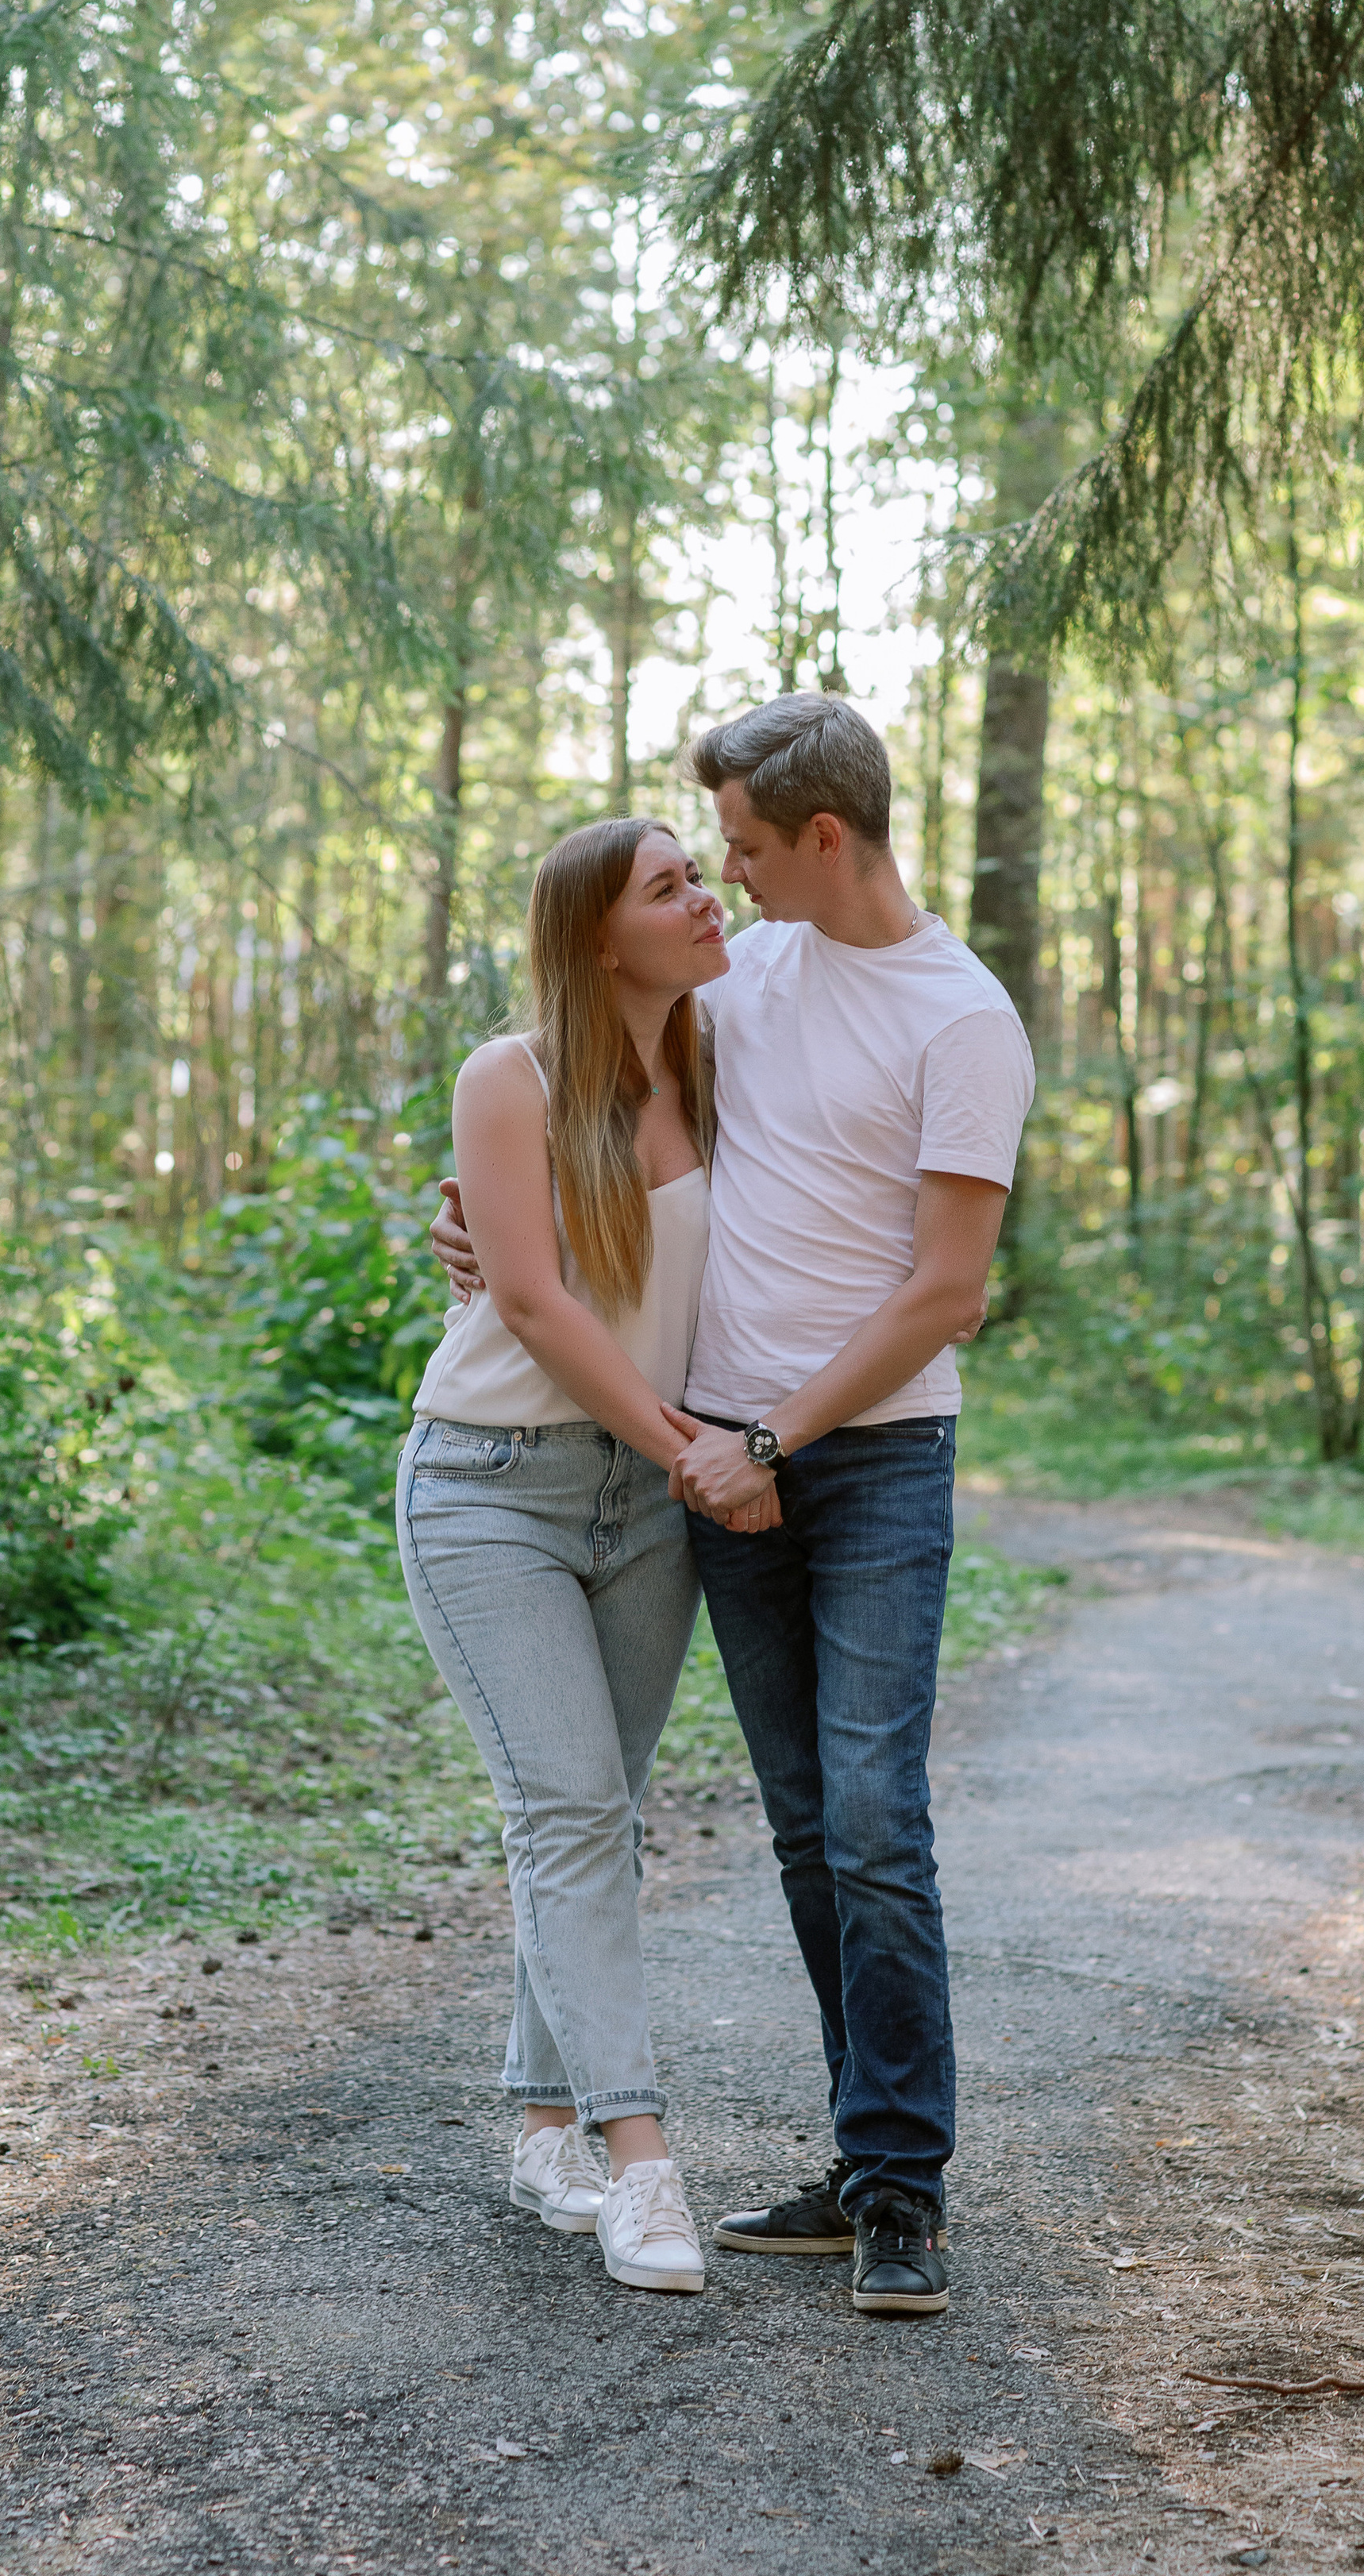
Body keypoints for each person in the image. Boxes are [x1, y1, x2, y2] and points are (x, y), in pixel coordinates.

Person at [433, 696, 1034, 2316]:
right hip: (709, 1464)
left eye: (747, 851)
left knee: (869, 1816)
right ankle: (843, 2167)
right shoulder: (738, 979)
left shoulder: (958, 1021)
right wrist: (481, 1221)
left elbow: (947, 1294)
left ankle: (899, 2186)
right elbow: (583, 1109)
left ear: (819, 840)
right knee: (795, 1827)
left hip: (859, 1456)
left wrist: (762, 1437)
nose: (728, 880)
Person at [398, 814, 776, 2298]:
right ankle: (641, 2160)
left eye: (702, 874)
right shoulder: (514, 1078)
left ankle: (544, 2123)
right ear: (593, 934)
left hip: (646, 1508)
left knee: (597, 1822)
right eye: (670, 886)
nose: (704, 899)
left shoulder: (719, 1060)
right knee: (567, 1810)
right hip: (493, 1487)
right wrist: (690, 1444)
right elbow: (542, 1310)